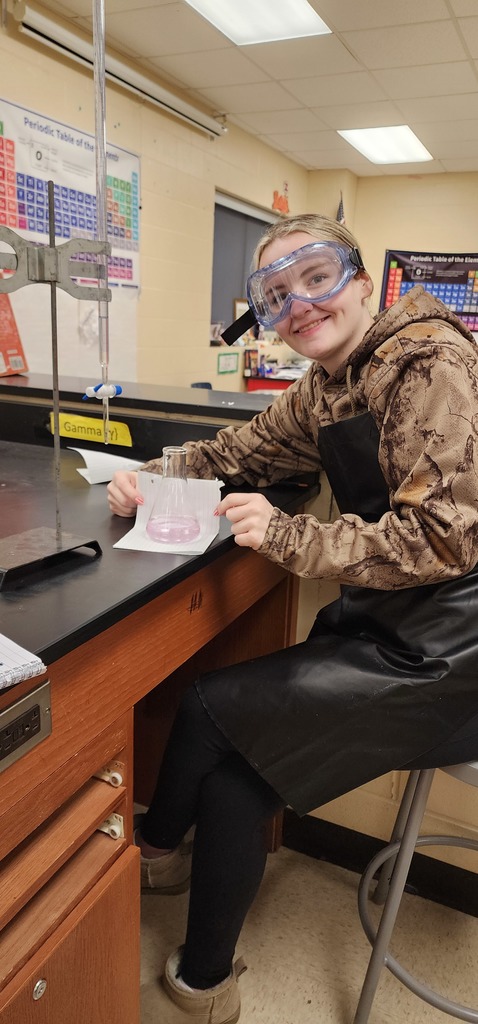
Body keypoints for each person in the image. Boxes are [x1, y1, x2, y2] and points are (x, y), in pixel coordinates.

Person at [107, 213, 478, 1023]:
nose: (301, 305)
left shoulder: (430, 362)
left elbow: (446, 541)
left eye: (317, 278)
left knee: (209, 704)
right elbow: (242, 450)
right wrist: (150, 471)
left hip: (453, 653)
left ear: (361, 280)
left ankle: (162, 858)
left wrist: (285, 535)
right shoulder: (326, 385)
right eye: (276, 296)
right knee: (242, 780)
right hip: (393, 623)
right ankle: (203, 974)